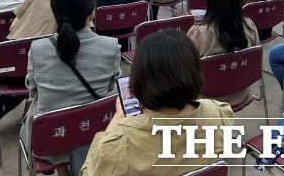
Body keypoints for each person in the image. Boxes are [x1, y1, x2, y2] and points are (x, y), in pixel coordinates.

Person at [79, 30, 234, 176]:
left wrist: (117, 118)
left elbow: (88, 171)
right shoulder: (220, 113)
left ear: (139, 80)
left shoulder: (118, 145)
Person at [22, 0, 121, 176]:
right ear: (92, 11)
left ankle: (63, 171)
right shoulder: (111, 46)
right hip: (97, 135)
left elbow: (33, 89)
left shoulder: (38, 49)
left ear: (54, 12)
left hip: (50, 141)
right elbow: (113, 89)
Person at [188, 0, 260, 106]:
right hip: (240, 92)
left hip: (207, 101)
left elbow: (187, 72)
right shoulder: (249, 25)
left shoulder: (197, 33)